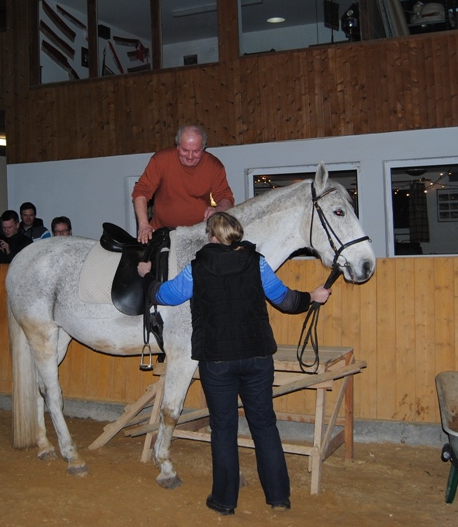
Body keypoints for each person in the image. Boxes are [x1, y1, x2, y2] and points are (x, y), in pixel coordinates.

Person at [137, 212, 331, 515]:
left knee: (224, 428)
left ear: (211, 236)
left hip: (217, 362)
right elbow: (286, 300)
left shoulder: (197, 268)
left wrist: (148, 276)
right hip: (257, 358)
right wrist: (313, 296)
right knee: (264, 425)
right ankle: (279, 497)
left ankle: (225, 501)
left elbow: (165, 296)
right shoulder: (257, 263)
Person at [132, 124, 235, 243]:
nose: (190, 157)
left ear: (203, 148)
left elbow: (226, 197)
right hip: (162, 234)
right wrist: (144, 225)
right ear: (177, 146)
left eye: (196, 151)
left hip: (199, 235)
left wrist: (218, 211)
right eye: (185, 150)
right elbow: (141, 191)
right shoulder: (161, 160)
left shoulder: (214, 166)